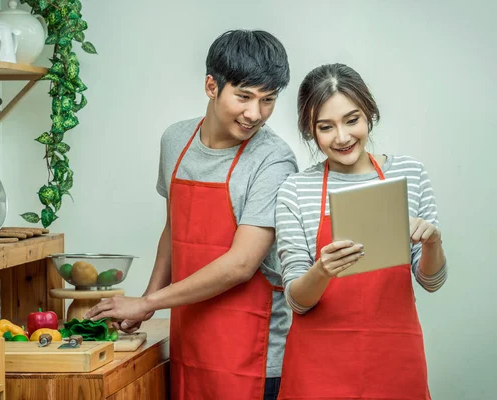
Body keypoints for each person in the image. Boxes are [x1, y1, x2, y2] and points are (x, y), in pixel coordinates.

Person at [84, 30, 298, 400]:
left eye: (268, 100)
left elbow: (241, 264)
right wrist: (147, 303)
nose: (255, 114)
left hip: (252, 352)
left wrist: (148, 302)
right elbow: (174, 227)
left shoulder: (273, 159)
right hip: (189, 337)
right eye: (244, 96)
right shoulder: (175, 140)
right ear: (211, 86)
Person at [276, 63, 448, 400]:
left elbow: (432, 281)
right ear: (310, 131)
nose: (341, 137)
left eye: (352, 120)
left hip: (395, 362)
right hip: (318, 369)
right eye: (325, 127)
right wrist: (322, 270)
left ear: (369, 113)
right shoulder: (295, 190)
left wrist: (433, 241)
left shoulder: (409, 173)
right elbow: (297, 301)